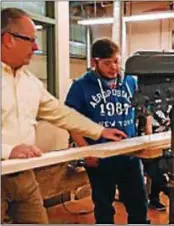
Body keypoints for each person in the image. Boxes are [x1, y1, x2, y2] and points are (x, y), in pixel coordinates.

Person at [1, 8, 127, 224]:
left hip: (24, 175)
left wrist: (99, 131)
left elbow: (61, 114)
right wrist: (7, 150)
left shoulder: (30, 82)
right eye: (30, 40)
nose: (36, 47)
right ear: (8, 39)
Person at [65, 38, 149, 224]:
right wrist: (86, 151)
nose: (113, 67)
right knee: (103, 207)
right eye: (107, 63)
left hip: (129, 155)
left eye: (117, 61)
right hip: (100, 158)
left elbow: (144, 110)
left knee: (139, 203)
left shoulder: (129, 81)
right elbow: (71, 121)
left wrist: (148, 137)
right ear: (95, 62)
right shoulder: (81, 86)